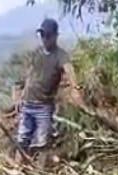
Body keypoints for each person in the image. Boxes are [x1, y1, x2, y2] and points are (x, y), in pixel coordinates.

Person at [15, 18, 81, 154]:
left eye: (48, 36)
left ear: (56, 36)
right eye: (43, 35)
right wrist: (19, 95)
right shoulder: (37, 53)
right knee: (22, 140)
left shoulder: (60, 55)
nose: (45, 39)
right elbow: (29, 74)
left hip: (43, 106)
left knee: (41, 143)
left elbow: (69, 69)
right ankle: (19, 168)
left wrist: (75, 88)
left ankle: (38, 171)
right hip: (28, 103)